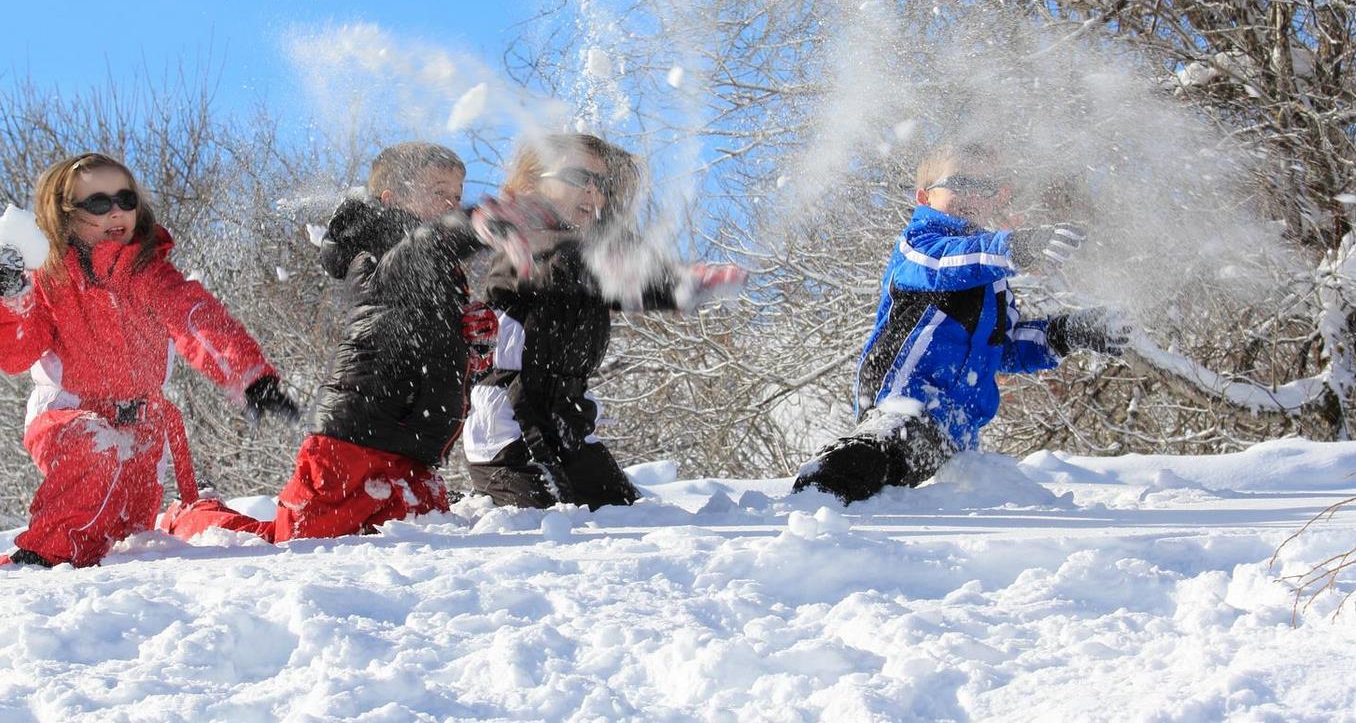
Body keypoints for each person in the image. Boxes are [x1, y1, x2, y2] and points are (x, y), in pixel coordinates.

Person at [165, 141, 530, 541]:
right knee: (288, 540)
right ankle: (191, 516)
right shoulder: (377, 251)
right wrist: (472, 222)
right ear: (392, 200)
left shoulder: (443, 273)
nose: (449, 202)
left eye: (456, 196)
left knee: (410, 539)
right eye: (438, 191)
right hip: (354, 439)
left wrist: (472, 349)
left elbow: (430, 343)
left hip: (415, 450)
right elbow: (421, 251)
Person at [0, 151, 297, 570]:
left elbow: (196, 320)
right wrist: (10, 298)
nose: (117, 211)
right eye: (98, 203)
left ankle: (182, 524)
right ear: (66, 216)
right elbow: (12, 354)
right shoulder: (50, 280)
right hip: (68, 415)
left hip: (144, 427)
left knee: (119, 535)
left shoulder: (149, 273)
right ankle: (31, 561)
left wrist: (250, 375)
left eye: (126, 199)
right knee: (94, 456)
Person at [792, 142, 1132, 504]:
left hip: (955, 424)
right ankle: (818, 492)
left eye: (985, 188)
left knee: (910, 479)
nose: (974, 195)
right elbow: (943, 266)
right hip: (904, 394)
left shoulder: (991, 279)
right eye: (962, 182)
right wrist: (1012, 248)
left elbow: (1004, 345)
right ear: (924, 196)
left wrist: (1065, 333)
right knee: (891, 447)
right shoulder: (919, 244)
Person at [462, 133, 748, 509]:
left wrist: (679, 286)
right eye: (579, 178)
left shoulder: (595, 253)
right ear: (533, 182)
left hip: (568, 422)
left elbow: (619, 278)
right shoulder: (526, 242)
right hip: (510, 427)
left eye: (603, 185)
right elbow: (568, 265)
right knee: (553, 520)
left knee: (624, 512)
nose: (593, 194)